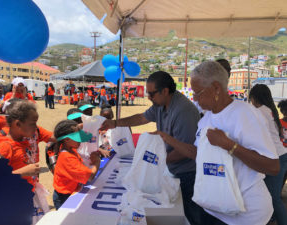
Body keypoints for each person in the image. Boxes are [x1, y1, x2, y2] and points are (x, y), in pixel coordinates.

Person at [155, 61, 279, 225]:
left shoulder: (245, 114)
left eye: (198, 93)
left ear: (216, 88)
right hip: (215, 209)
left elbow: (273, 167)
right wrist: (167, 139)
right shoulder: (206, 118)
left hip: (246, 215)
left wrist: (229, 145)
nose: (194, 99)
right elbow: (197, 153)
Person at [100, 71, 207, 224]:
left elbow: (186, 151)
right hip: (171, 169)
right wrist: (115, 123)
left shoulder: (184, 111)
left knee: (190, 215)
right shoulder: (160, 103)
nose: (148, 98)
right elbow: (142, 117)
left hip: (187, 174)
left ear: (165, 91)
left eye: (151, 94)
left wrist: (155, 162)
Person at [0, 100, 55, 223]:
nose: (36, 127)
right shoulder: (5, 147)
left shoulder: (23, 139)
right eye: (33, 123)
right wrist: (23, 172)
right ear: (18, 124)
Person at [249, 84, 287, 225]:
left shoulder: (260, 111)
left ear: (255, 97)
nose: (251, 102)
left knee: (273, 198)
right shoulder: (269, 110)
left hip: (276, 158)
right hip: (280, 156)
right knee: (269, 196)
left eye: (251, 98)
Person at [52, 120, 101, 209]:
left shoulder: (69, 149)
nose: (80, 142)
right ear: (66, 140)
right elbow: (90, 176)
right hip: (64, 197)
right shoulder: (67, 157)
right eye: (77, 138)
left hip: (71, 190)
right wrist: (97, 162)